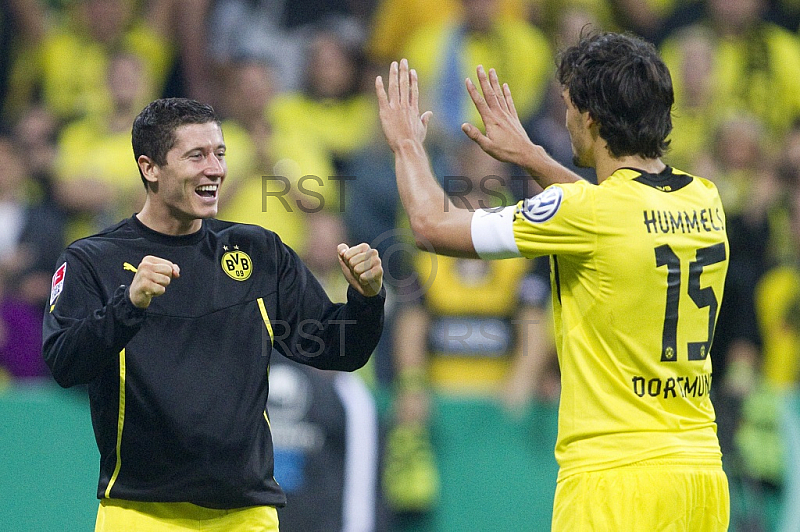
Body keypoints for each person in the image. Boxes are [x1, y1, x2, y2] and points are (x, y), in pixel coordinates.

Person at [376, 31, 730, 530]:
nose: (564, 121)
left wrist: (407, 145)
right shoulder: (704, 199)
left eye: (568, 107)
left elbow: (431, 226)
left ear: (590, 118)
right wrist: (532, 157)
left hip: (614, 480)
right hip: (699, 474)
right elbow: (614, 214)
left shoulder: (584, 211)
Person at [42, 97, 385, 531]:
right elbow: (64, 362)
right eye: (196, 155)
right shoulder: (93, 259)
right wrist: (128, 305)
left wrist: (367, 299)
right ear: (150, 167)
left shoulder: (260, 252)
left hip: (245, 514)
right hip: (142, 512)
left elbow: (340, 350)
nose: (216, 169)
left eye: (220, 153)